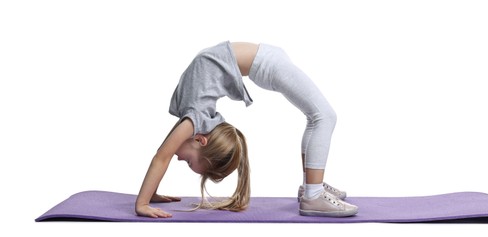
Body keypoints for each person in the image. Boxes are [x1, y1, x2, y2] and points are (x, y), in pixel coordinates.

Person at [135, 41, 358, 218]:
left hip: (267, 63)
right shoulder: (195, 119)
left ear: (201, 141)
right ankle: (311, 188)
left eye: (189, 161)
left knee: (323, 117)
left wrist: (143, 202)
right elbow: (163, 154)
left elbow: (160, 158)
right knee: (318, 117)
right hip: (265, 60)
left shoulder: (194, 119)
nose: (178, 158)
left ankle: (312, 192)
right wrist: (151, 193)